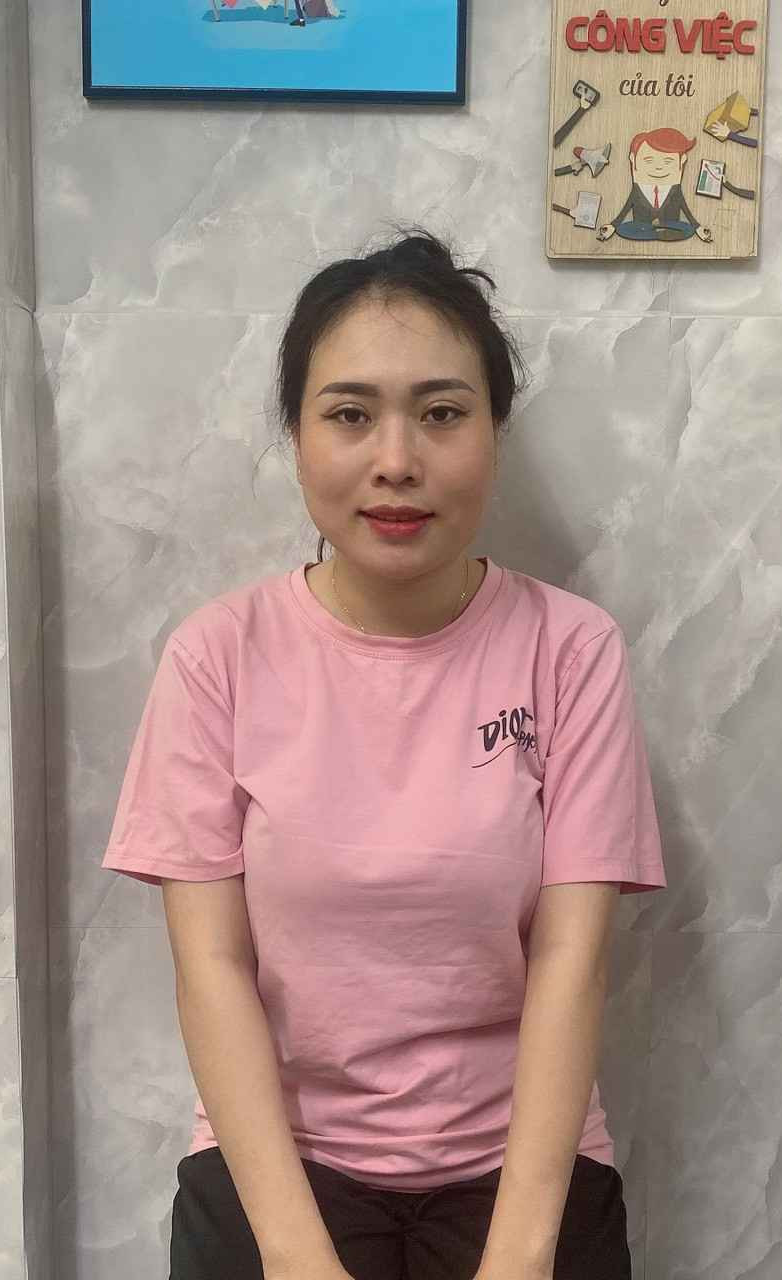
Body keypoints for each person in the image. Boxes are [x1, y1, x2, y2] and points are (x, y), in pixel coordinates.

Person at [101, 226, 668, 1280]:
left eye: (442, 413)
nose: (397, 460)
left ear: (494, 430)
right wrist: (295, 1257)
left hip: (521, 1163)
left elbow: (572, 959)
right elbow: (212, 967)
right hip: (281, 1162)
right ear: (298, 434)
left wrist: (519, 1257)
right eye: (351, 414)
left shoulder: (571, 650)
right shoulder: (217, 657)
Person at [597, 127, 713, 243]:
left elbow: (685, 209)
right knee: (624, 229)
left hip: (670, 227)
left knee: (686, 229)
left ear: (682, 161)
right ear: (633, 159)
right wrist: (613, 225)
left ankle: (661, 233)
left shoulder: (675, 189)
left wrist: (697, 227)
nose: (658, 167)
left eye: (667, 161)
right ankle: (654, 233)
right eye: (649, 160)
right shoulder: (637, 190)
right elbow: (626, 208)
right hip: (642, 228)